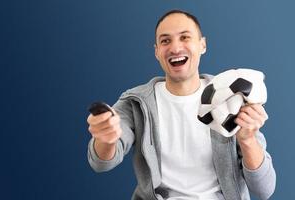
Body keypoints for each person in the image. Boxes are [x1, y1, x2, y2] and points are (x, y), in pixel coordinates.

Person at [87, 10, 276, 200]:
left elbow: (264, 189)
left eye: (185, 37)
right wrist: (105, 138)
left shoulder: (232, 97)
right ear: (156, 52)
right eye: (165, 41)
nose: (175, 48)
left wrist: (248, 140)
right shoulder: (135, 102)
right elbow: (101, 164)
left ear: (202, 45)